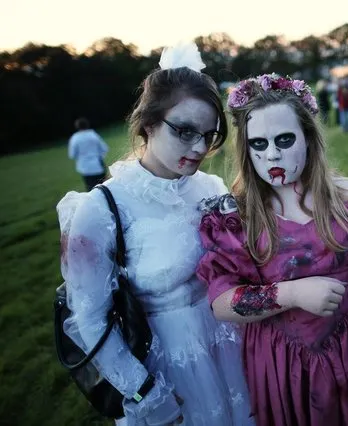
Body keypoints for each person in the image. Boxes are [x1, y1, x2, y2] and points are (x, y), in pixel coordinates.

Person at [197, 73, 348, 426]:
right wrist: (290, 293)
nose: (271, 153)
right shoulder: (237, 219)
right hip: (287, 365)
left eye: (284, 139)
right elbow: (222, 303)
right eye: (258, 143)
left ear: (309, 138)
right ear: (245, 149)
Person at [56, 42, 254, 426]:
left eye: (209, 135)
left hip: (233, 348)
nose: (199, 148)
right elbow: (89, 320)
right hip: (168, 371)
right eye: (184, 131)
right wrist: (144, 391)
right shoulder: (101, 208)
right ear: (148, 123)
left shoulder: (210, 186)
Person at [68, 117, 109, 191]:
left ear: (77, 127)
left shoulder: (75, 138)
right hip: (98, 165)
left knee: (91, 190)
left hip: (85, 168)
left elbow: (72, 154)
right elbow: (104, 148)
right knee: (105, 188)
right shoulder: (93, 135)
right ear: (87, 125)